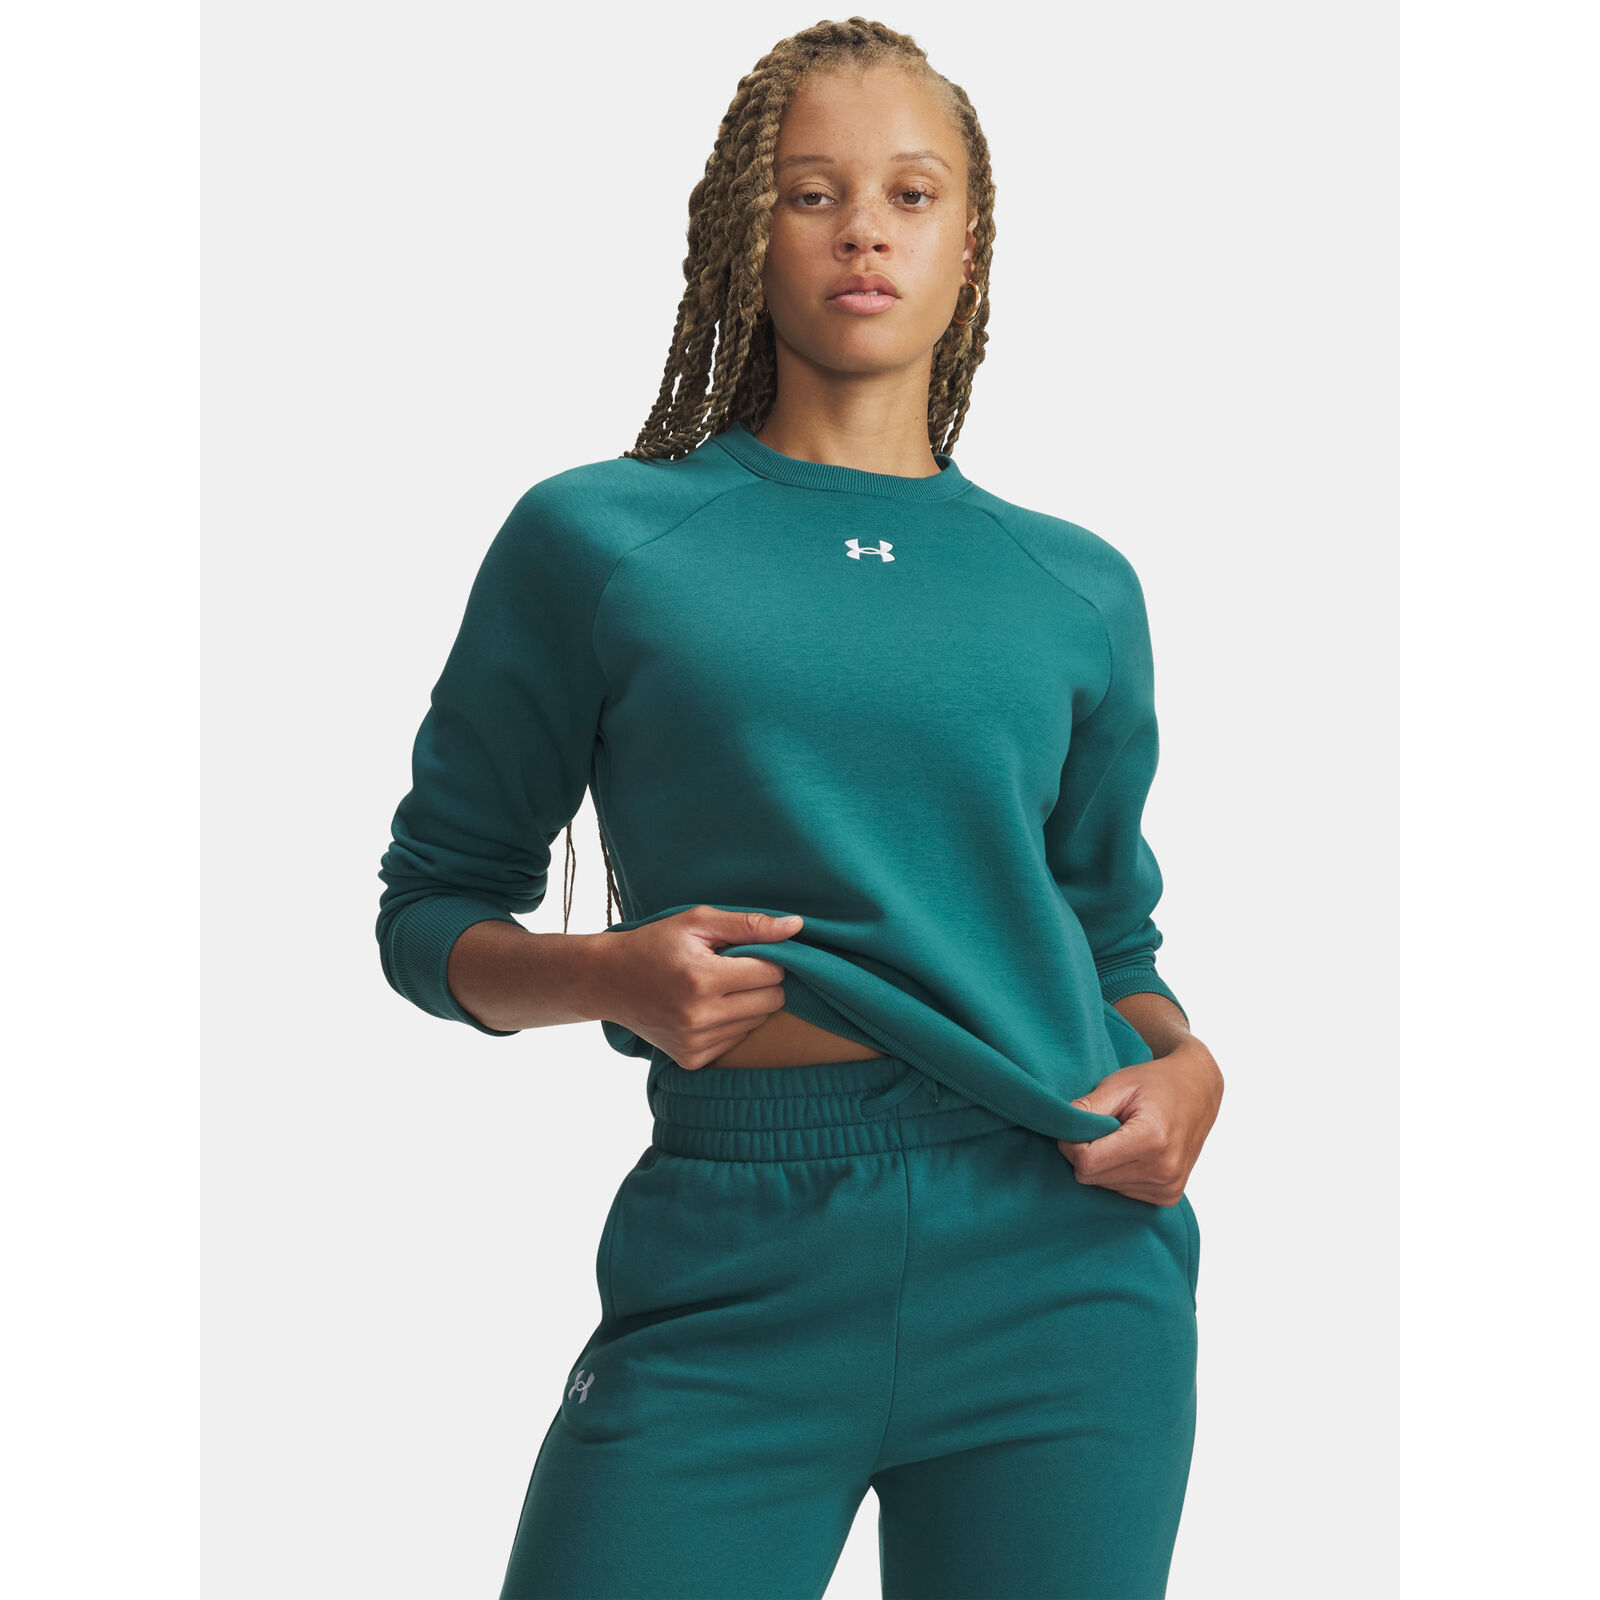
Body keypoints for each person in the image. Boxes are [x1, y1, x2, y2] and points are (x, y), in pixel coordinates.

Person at [375, 17, 1223, 1599]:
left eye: (912, 194)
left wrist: (1187, 1067)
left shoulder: (1075, 585)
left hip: (1064, 1255)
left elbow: (1108, 926)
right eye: (812, 191)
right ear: (741, 234)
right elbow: (429, 914)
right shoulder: (599, 540)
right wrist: (605, 975)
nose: (863, 232)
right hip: (737, 1244)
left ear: (970, 246)